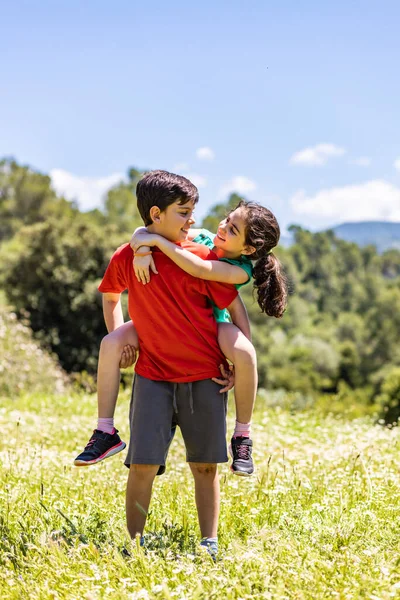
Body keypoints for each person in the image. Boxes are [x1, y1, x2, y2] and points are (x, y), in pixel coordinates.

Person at [76, 170, 240, 556]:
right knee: (143, 465)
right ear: (155, 214)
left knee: (205, 466)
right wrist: (123, 339)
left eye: (192, 211)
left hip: (205, 378)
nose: (192, 220)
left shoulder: (200, 258)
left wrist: (235, 356)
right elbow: (111, 296)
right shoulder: (128, 256)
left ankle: (209, 543)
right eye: (183, 212)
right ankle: (134, 544)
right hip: (152, 378)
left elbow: (232, 306)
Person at [130, 199, 287, 475]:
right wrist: (142, 249)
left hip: (212, 327)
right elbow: (142, 231)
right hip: (174, 323)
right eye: (228, 219)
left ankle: (242, 436)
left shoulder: (240, 270)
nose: (224, 226)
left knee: (247, 354)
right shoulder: (201, 236)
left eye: (234, 229)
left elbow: (199, 269)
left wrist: (239, 365)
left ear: (248, 250)